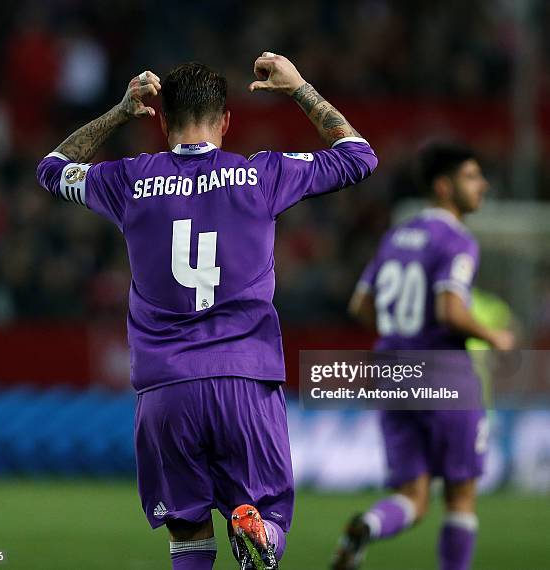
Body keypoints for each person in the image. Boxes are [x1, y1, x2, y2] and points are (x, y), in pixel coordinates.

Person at [37, 53, 377, 569]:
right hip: (245, 378)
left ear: (164, 123)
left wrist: (121, 112)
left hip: (165, 389)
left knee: (189, 539)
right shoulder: (262, 175)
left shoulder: (128, 181)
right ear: (226, 121)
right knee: (269, 519)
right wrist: (300, 88)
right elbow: (359, 156)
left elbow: (52, 169)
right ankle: (258, 529)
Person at [332, 143, 514, 570]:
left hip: (391, 370)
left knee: (413, 497)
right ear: (444, 187)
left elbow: (360, 306)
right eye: (472, 176)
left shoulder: (396, 236)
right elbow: (449, 310)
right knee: (460, 497)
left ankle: (369, 527)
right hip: (444, 374)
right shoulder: (457, 240)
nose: (482, 184)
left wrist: (401, 331)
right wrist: (495, 336)